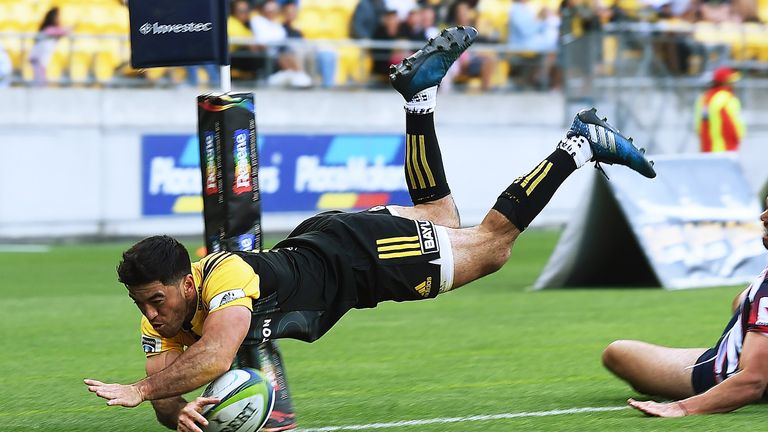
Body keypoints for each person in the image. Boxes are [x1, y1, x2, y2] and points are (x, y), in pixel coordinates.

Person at [84, 26, 656, 432]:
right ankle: (420, 96)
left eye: (158, 300)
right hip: (329, 243)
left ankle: (579, 145)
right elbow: (166, 385)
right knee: (441, 221)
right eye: (144, 305)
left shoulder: (224, 279)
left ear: (187, 282)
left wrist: (141, 391)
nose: (153, 314)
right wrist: (170, 408)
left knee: (492, 247)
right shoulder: (160, 316)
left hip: (357, 260)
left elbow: (211, 358)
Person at [603, 199, 768, 417]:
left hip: (721, 372)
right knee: (743, 301)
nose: (762, 216)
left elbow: (753, 381)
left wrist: (681, 407)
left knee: (617, 352)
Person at [694, 67, 746, 153]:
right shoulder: (726, 98)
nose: (734, 84)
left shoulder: (704, 98)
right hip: (725, 149)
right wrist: (736, 139)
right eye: (732, 81)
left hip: (706, 149)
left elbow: (698, 126)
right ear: (725, 82)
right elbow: (731, 125)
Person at [28, 7, 70, 85]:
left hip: (41, 58)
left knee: (41, 79)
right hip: (38, 58)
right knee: (40, 80)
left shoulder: (48, 30)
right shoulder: (48, 29)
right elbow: (61, 32)